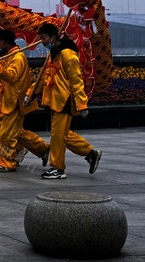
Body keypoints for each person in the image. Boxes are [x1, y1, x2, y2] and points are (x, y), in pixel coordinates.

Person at [25, 22, 102, 179]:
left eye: (44, 38)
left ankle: (57, 168)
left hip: (64, 101)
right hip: (54, 100)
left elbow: (77, 81)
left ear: (53, 37)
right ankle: (91, 153)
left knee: (57, 136)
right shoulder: (53, 54)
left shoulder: (68, 55)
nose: (42, 42)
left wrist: (82, 105)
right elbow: (43, 78)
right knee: (63, 135)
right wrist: (30, 94)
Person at [0, 28, 48, 172]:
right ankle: (40, 148)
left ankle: (8, 162)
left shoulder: (18, 58)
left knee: (7, 134)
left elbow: (11, 76)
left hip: (14, 102)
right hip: (4, 100)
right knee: (4, 126)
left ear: (4, 41)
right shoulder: (6, 56)